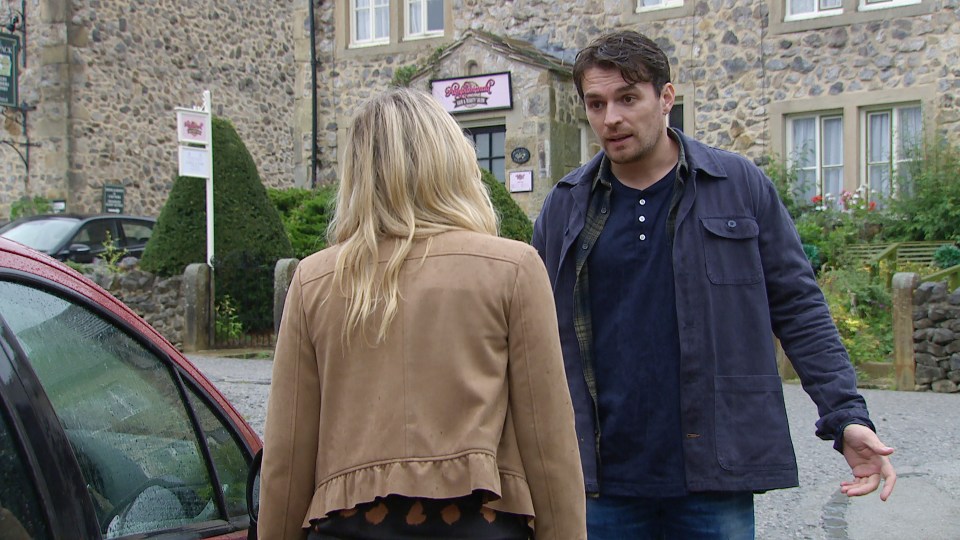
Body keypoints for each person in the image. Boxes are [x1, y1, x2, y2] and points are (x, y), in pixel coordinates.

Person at [531, 30, 896, 539]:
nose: (610, 117)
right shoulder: (566, 205)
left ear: (666, 98)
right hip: (602, 480)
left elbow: (798, 307)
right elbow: (531, 338)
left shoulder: (738, 186)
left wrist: (847, 416)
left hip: (711, 476)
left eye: (628, 98)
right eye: (596, 103)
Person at [258, 88, 586, 540]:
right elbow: (550, 450)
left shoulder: (314, 280)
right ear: (453, 161)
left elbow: (286, 456)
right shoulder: (512, 268)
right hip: (480, 524)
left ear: (357, 174)